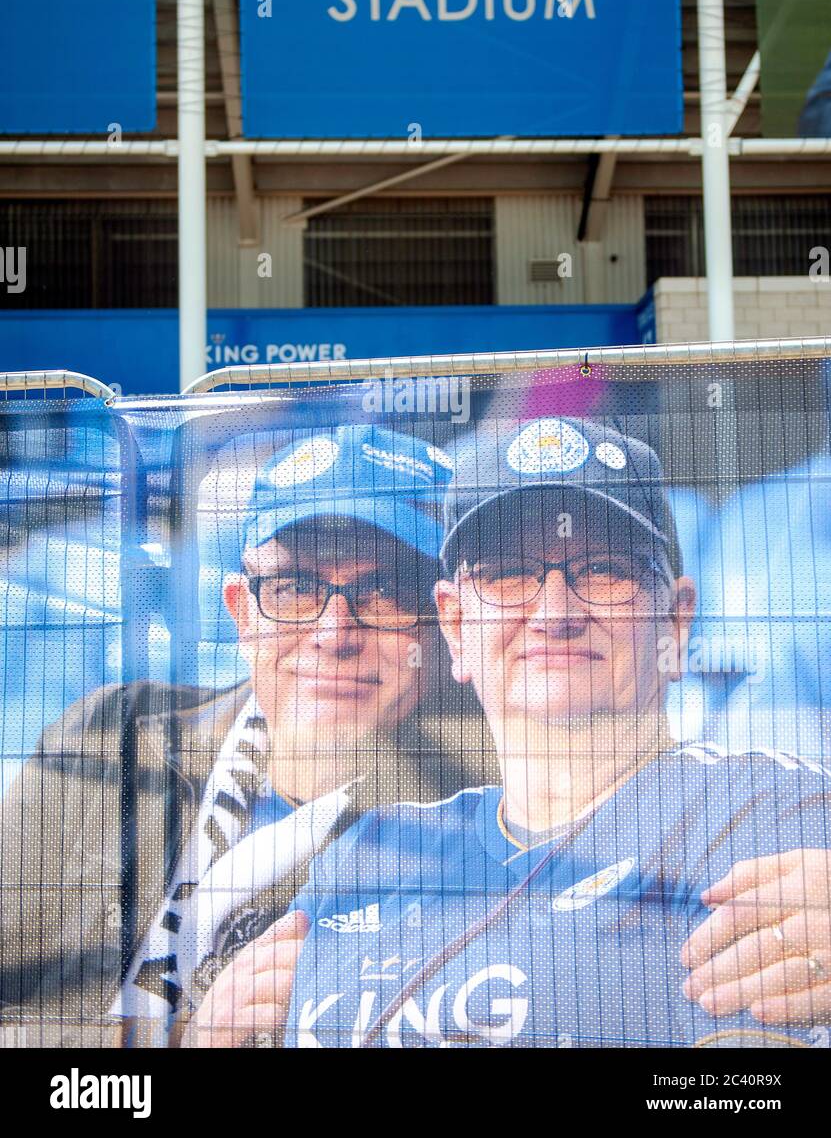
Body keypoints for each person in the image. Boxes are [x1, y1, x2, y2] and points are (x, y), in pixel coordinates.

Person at [188, 416, 831, 1049]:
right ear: (456, 626)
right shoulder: (365, 856)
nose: (554, 613)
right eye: (508, 574)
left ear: (675, 621)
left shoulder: (777, 815)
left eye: (605, 570)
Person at [0, 424, 452, 1047]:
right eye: (295, 588)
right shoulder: (115, 735)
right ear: (241, 612)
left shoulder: (475, 830)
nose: (334, 632)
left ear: (448, 620)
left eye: (385, 591)